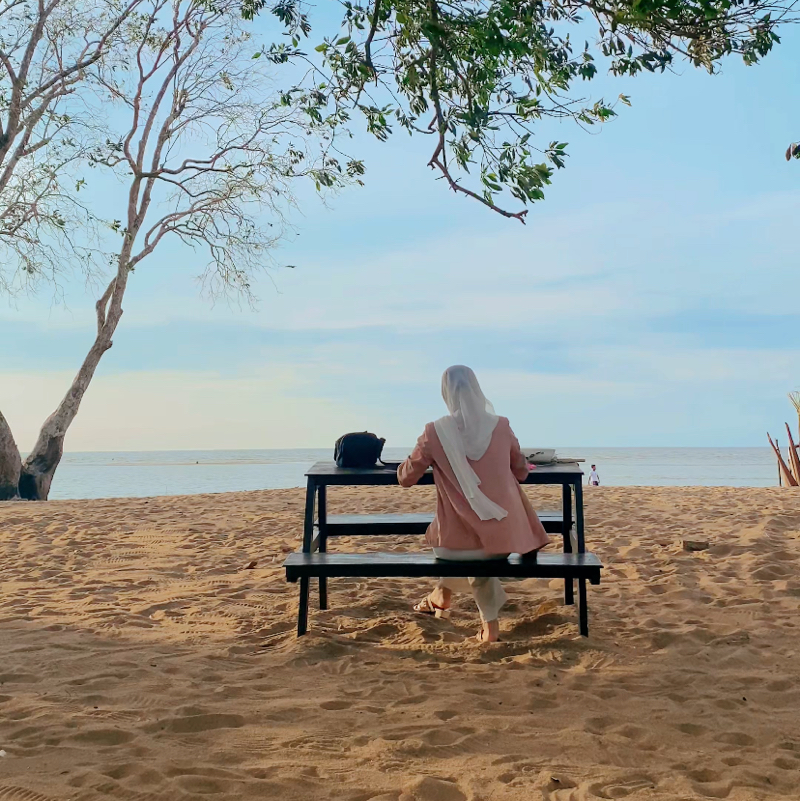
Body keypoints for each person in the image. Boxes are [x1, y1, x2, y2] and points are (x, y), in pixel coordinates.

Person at [397, 365, 550, 643]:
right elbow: (521, 472)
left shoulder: (435, 431)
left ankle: (462, 611)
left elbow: (406, 478)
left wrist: (430, 459)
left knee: (465, 547)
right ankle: (448, 601)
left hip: (451, 547)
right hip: (501, 543)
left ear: (446, 393)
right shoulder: (501, 425)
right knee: (481, 547)